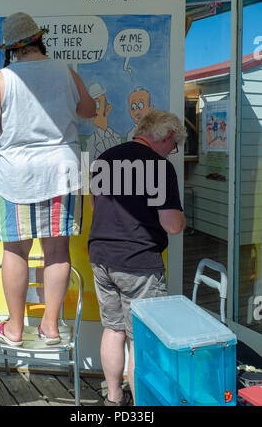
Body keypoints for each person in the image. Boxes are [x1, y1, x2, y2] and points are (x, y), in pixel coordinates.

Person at [0, 12, 95, 346]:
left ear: (12, 48)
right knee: (57, 249)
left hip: (20, 174)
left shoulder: (3, 78)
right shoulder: (66, 72)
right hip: (63, 171)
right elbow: (88, 111)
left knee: (16, 249)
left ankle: (14, 329)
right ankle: (51, 327)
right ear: (39, 39)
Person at [88, 110, 186, 405]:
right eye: (175, 145)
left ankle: (115, 398)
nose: (173, 152)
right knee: (140, 338)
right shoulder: (158, 167)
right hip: (139, 262)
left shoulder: (104, 158)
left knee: (114, 329)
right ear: (166, 136)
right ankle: (143, 403)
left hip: (102, 258)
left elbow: (96, 207)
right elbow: (172, 224)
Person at [86, 82, 121, 164]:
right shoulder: (91, 142)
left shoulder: (116, 137)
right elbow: (85, 171)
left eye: (97, 104)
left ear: (108, 108)